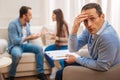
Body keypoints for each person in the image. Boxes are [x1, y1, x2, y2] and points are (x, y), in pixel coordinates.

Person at [55, 3, 120, 80]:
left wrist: (77, 59)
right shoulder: (90, 30)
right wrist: (74, 29)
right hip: (98, 63)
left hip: (106, 71)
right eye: (85, 21)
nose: (88, 24)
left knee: (60, 73)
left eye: (92, 19)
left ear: (102, 16)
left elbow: (102, 66)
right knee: (67, 61)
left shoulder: (107, 36)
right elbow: (73, 48)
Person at [7, 6, 48, 80]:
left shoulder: (27, 24)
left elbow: (29, 36)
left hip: (25, 45)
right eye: (30, 15)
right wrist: (29, 38)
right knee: (17, 55)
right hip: (15, 46)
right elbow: (14, 40)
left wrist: (37, 35)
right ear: (24, 16)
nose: (31, 17)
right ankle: (11, 76)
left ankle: (40, 73)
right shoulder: (13, 24)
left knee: (39, 49)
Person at [44, 8, 69, 79]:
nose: (52, 16)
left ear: (57, 15)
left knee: (62, 61)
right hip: (57, 45)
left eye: (53, 15)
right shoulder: (57, 23)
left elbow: (67, 39)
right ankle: (54, 68)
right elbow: (57, 34)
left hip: (64, 46)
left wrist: (56, 38)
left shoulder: (64, 24)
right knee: (46, 51)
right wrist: (48, 33)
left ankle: (65, 75)